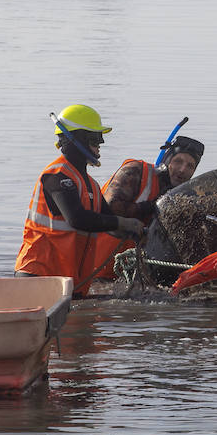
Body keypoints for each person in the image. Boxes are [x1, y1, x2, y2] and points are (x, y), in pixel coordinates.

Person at [15, 104, 144, 296]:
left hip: (70, 282)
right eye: (95, 139)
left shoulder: (91, 184)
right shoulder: (57, 176)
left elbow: (108, 220)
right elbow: (78, 219)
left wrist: (138, 230)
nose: (100, 144)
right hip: (39, 276)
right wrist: (125, 222)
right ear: (77, 140)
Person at [103, 134, 205, 221]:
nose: (182, 170)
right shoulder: (136, 171)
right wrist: (153, 207)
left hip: (138, 244)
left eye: (190, 166)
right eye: (178, 161)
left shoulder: (186, 196)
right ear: (167, 161)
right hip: (102, 242)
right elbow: (109, 207)